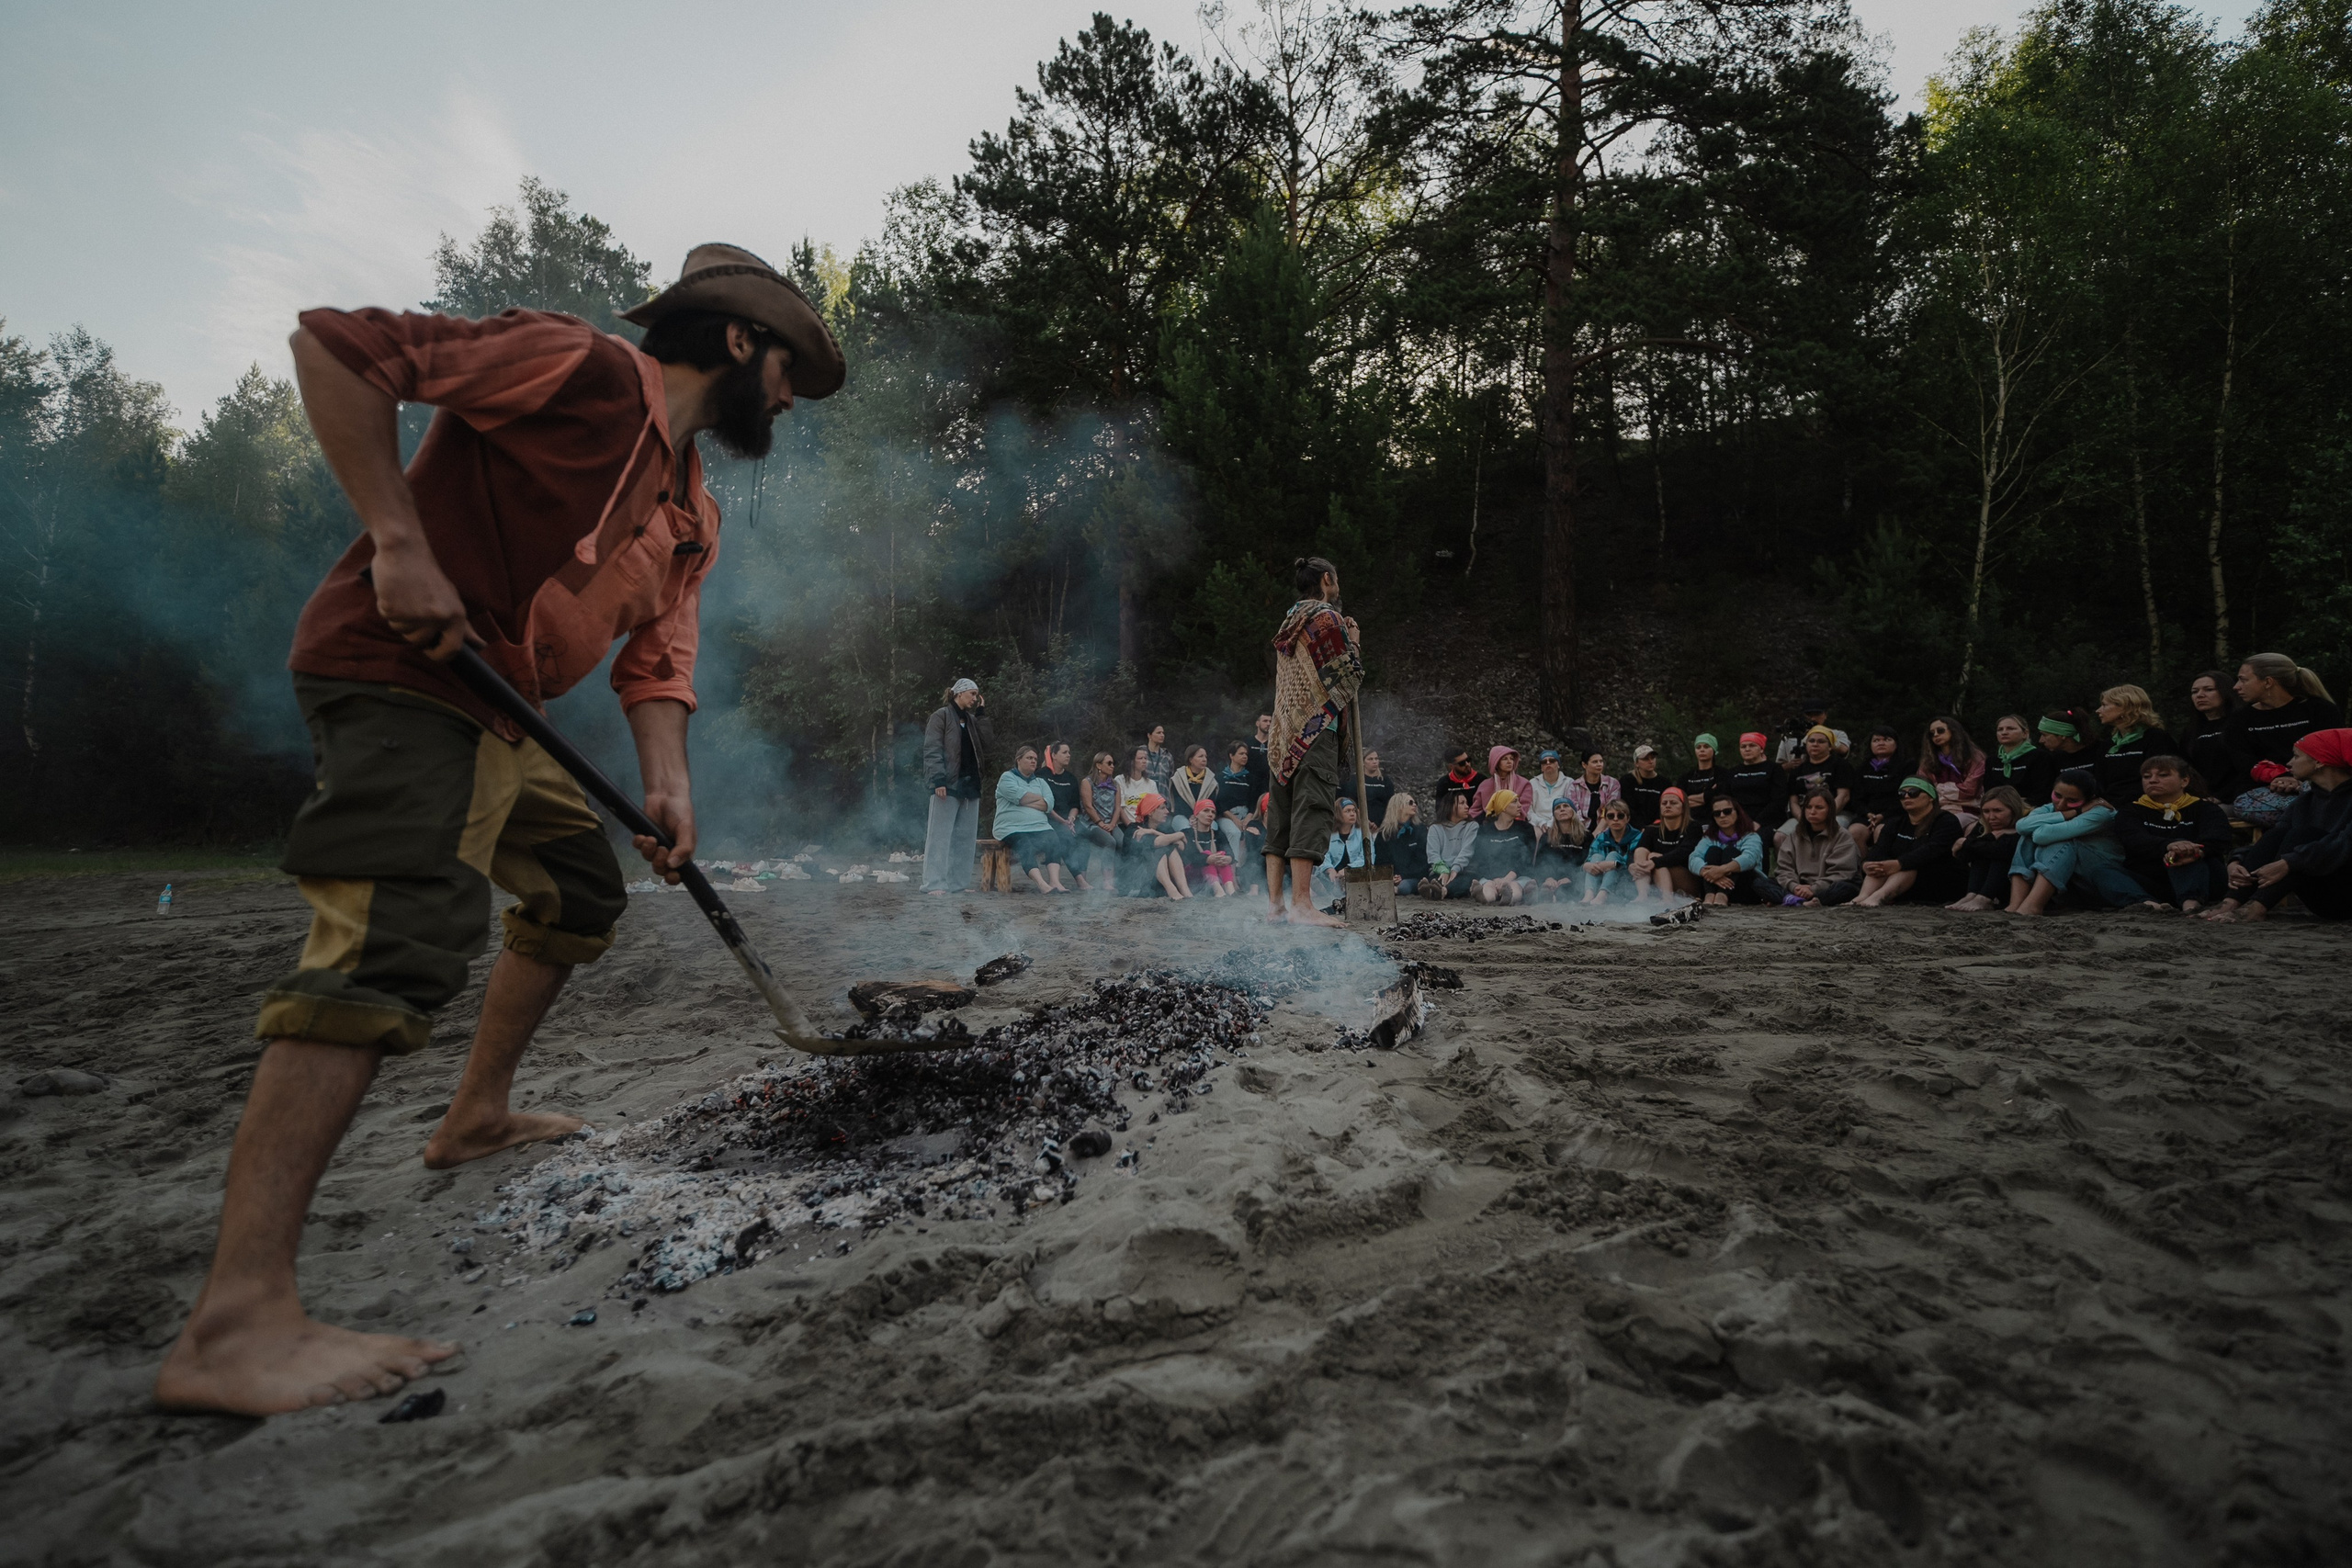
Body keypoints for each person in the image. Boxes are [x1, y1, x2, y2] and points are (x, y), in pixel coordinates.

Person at [156, 242, 845, 1417]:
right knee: (396, 936)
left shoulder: (692, 511)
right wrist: (398, 541)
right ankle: (236, 1321)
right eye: (791, 369)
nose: (790, 398)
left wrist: (666, 782)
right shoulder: (580, 367)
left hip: (503, 707)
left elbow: (659, 656)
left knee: (579, 890)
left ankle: (473, 1117)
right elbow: (342, 347)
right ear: (738, 341)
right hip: (401, 672)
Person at [1264, 556, 1362, 928]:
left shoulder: (1289, 620)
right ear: (1326, 579)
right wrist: (1354, 642)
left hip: (1282, 732)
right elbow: (1346, 674)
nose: (1337, 588)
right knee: (1313, 808)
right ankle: (1302, 905)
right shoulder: (1326, 618)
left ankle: (1275, 907)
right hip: (1315, 729)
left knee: (1281, 816)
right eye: (1335, 581)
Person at [2204, 728, 2352, 921]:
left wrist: (2290, 862)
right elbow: (2272, 841)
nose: (2289, 763)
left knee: (2302, 836)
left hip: (2346, 893)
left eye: (2297, 757)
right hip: (2321, 893)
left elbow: (2345, 844)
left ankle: (2257, 907)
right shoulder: (2305, 801)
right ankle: (2232, 902)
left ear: (2319, 762)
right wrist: (2237, 860)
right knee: (2281, 834)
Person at [2224, 653, 2343, 827]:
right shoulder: (2239, 720)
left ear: (2268, 682)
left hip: (2317, 785)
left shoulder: (2319, 710)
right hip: (2262, 791)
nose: (2236, 687)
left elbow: (2331, 751)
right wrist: (2280, 777)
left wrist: (2298, 780)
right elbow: (2242, 760)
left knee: (2321, 802)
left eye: (2243, 680)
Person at [2007, 769, 2142, 915]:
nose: (2061, 804)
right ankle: (2016, 904)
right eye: (2057, 795)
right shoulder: (2051, 807)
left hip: (2096, 877)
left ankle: (2033, 905)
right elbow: (2021, 826)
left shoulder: (2101, 813)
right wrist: (2075, 811)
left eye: (2072, 801)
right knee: (2026, 837)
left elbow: (2041, 836)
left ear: (2090, 799)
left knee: (2060, 840)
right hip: (2068, 878)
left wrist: (2070, 815)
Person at [2113, 756, 2230, 913]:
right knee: (2102, 869)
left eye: (2163, 775)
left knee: (2184, 847)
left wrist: (2192, 851)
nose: (2153, 780)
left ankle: (2191, 904)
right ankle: (2147, 904)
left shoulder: (2206, 808)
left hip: (2203, 880)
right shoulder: (2130, 811)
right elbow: (2134, 840)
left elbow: (2218, 839)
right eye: (2147, 776)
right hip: (2152, 880)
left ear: (2184, 781)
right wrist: (2167, 845)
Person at [922, 679, 994, 894]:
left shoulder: (971, 720)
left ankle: (958, 885)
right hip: (948, 784)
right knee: (939, 837)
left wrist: (981, 716)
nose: (975, 698)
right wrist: (938, 780)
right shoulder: (941, 716)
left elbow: (988, 744)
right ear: (959, 694)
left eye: (976, 695)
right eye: (972, 694)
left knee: (965, 839)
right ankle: (933, 884)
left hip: (970, 786)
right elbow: (932, 749)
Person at [1851, 776, 1967, 907]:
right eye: (1901, 794)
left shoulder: (1946, 821)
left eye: (1913, 793)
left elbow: (1932, 850)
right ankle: (1862, 897)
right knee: (1878, 866)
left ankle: (1878, 898)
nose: (1906, 797)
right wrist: (1868, 864)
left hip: (1939, 881)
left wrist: (1899, 864)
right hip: (1900, 883)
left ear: (1930, 797)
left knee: (1907, 866)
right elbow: (1879, 850)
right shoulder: (1895, 823)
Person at [993, 746, 1070, 893]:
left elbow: (1049, 804)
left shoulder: (1040, 782)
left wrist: (1026, 799)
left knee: (1054, 839)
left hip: (1039, 826)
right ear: (1019, 760)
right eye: (1029, 758)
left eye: (1035, 759)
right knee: (1025, 844)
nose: (1034, 761)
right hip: (1011, 828)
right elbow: (1020, 797)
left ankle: (1055, 882)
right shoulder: (1007, 777)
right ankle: (1042, 884)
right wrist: (1037, 800)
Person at [2090, 684, 2177, 807]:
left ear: (2125, 707)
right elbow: (2099, 782)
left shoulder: (2156, 739)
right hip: (2105, 806)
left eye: (2105, 705)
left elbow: (2160, 781)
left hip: (2143, 806)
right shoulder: (2108, 745)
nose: (2098, 710)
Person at [1775, 788, 1862, 907]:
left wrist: (1813, 888)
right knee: (1761, 883)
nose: (1812, 812)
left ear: (1830, 810)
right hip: (1800, 886)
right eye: (1808, 807)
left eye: (1819, 808)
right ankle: (1799, 900)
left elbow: (1842, 873)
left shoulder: (1842, 836)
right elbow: (1784, 869)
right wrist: (1795, 886)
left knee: (1846, 888)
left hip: (1827, 887)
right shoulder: (1795, 835)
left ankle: (1795, 900)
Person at [1947, 785, 2027, 911]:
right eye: (1986, 811)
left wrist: (1966, 842)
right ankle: (1972, 894)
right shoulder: (1984, 824)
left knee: (1995, 853)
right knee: (1983, 851)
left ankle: (1984, 898)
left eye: (1998, 811)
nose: (1991, 817)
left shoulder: (2028, 821)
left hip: (2018, 883)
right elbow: (1963, 855)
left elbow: (2005, 851)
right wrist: (1989, 837)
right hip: (1990, 881)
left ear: (2013, 810)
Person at [1694, 797, 1781, 906]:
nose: (1722, 816)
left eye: (1727, 811)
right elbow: (1694, 858)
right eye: (1717, 813)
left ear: (1738, 813)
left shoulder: (1751, 836)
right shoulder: (1709, 838)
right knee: (1713, 851)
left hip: (1744, 887)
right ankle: (1710, 895)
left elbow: (1750, 858)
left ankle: (1722, 895)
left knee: (1731, 852)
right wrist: (1710, 874)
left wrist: (1722, 870)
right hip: (1712, 886)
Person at [2179, 671, 2245, 804]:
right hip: (2201, 799)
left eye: (2208, 690)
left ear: (2225, 692)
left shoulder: (2240, 723)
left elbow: (2247, 768)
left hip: (2237, 798)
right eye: (2194, 692)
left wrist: (2221, 797)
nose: (2200, 695)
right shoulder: (2190, 731)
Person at [1633, 786, 1705, 903]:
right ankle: (1642, 895)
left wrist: (1655, 862)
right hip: (1657, 880)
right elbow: (1639, 851)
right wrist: (1636, 866)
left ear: (1683, 807)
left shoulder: (1693, 827)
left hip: (1687, 880)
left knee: (1653, 857)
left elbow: (1684, 852)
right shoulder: (1652, 829)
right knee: (1641, 854)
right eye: (1664, 803)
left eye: (1673, 803)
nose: (1667, 805)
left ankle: (1667, 899)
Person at [1467, 791, 1538, 904]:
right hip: (1491, 877)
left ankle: (1509, 898)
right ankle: (1484, 898)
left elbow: (1526, 859)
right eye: (1515, 802)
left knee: (1515, 886)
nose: (1520, 805)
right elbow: (1481, 860)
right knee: (1488, 886)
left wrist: (1507, 879)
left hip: (1518, 876)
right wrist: (1495, 879)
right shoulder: (1485, 831)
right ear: (1503, 806)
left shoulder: (1526, 829)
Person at [1040, 741, 1093, 889]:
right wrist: (1062, 821)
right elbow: (1044, 803)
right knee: (1063, 837)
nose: (1068, 755)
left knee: (1083, 837)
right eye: (1064, 752)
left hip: (1067, 820)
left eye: (1069, 752)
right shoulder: (1042, 775)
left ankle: (1082, 878)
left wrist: (1071, 819)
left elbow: (1075, 805)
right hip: (1048, 818)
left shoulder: (1070, 778)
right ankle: (1075, 880)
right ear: (1054, 755)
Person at [1782, 727, 1856, 822]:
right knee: (1780, 836)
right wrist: (1802, 819)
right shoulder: (1797, 770)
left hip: (1836, 814)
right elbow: (1793, 801)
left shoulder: (1841, 765)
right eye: (1811, 741)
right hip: (1804, 816)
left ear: (1830, 746)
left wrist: (1825, 818)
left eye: (1821, 741)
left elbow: (1843, 796)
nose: (1815, 744)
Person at [1125, 795, 1192, 899]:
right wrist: (1180, 834)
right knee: (1160, 848)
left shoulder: (1164, 828)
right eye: (1162, 808)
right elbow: (1156, 843)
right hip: (1135, 883)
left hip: (1155, 885)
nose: (1167, 812)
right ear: (1150, 812)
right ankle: (1172, 891)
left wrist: (1153, 831)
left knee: (1171, 847)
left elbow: (1182, 845)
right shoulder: (1134, 829)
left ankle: (1185, 890)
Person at [1848, 727, 1905, 848]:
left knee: (1882, 832)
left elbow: (1905, 797)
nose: (1881, 743)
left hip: (1895, 814)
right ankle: (1862, 865)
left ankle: (1881, 865)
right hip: (1867, 815)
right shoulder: (1862, 769)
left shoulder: (1906, 766)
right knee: (1854, 833)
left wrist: (1883, 816)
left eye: (1887, 739)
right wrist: (1868, 814)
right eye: (1876, 740)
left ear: (1896, 744)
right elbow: (1856, 798)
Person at [1917, 716, 1986, 812]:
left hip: (1968, 810)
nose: (1936, 735)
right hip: (1937, 809)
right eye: (1931, 734)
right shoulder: (1928, 761)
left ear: (1953, 730)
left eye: (1940, 730)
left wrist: (1938, 787)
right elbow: (1923, 789)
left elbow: (1970, 790)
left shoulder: (1974, 756)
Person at [1984, 714, 2054, 807]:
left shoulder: (2039, 757)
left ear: (2025, 733)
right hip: (1998, 809)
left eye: (2010, 729)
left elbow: (2042, 792)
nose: (2004, 732)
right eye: (2000, 729)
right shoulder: (1992, 760)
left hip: (2030, 809)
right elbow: (1989, 792)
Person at [1420, 790, 1480, 900]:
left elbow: (1467, 851)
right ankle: (1432, 890)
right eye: (1462, 803)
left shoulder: (1472, 826)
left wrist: (1455, 869)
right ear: (1451, 806)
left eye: (1467, 803)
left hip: (1463, 871)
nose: (1467, 806)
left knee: (1464, 882)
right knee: (1434, 880)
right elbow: (1433, 854)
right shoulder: (1435, 828)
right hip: (1441, 871)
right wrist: (1444, 870)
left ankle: (1442, 892)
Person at [1723, 734, 1785, 835]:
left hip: (1768, 820)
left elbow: (1779, 799)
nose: (1747, 749)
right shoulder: (1732, 772)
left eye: (1752, 745)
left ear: (1761, 749)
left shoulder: (1774, 769)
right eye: (1743, 746)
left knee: (1758, 840)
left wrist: (1758, 822)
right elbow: (1726, 798)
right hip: (1739, 820)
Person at [1581, 801, 1641, 903]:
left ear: (1628, 819)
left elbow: (1632, 862)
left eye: (1621, 816)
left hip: (1626, 879)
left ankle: (1603, 894)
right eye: (1611, 816)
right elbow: (1589, 859)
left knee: (1613, 855)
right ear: (1606, 820)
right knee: (1596, 857)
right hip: (1602, 875)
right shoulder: (1601, 837)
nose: (1616, 819)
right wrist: (1586, 865)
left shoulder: (1637, 836)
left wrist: (1614, 864)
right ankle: (1589, 894)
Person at [1316, 797, 1371, 905]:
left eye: (1354, 811)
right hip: (1333, 875)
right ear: (1338, 814)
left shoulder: (1363, 833)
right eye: (1347, 811)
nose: (1352, 814)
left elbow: (1368, 856)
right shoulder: (1328, 833)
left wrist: (1347, 870)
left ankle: (1332, 891)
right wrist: (1329, 868)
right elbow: (1323, 853)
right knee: (1318, 873)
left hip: (1355, 873)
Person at [1079, 750, 1123, 882]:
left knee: (1122, 841)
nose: (1112, 766)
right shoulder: (1087, 782)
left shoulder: (1115, 784)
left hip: (1110, 822)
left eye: (1113, 763)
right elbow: (1088, 806)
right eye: (1109, 763)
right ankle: (1107, 880)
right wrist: (1100, 823)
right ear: (1098, 765)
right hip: (1091, 823)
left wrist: (1112, 824)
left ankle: (1119, 877)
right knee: (1110, 842)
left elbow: (1118, 807)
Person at [1532, 798, 1589, 901]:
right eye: (1558, 808)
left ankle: (1551, 897)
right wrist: (1548, 877)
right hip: (1551, 880)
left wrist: (1571, 878)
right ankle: (1547, 895)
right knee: (1545, 886)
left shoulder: (1586, 837)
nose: (1562, 809)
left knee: (1566, 890)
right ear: (1554, 815)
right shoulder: (1547, 836)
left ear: (1574, 811)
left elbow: (1587, 863)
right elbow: (1540, 862)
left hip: (1575, 881)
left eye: (1566, 806)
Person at [1375, 793, 1429, 896]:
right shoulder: (1384, 834)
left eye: (1415, 802)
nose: (1414, 805)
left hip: (1413, 877)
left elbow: (1422, 861)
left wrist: (1403, 876)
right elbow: (1381, 860)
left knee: (1405, 886)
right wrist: (1391, 876)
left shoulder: (1420, 830)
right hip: (1391, 877)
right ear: (1398, 806)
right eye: (1410, 802)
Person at [1182, 799, 1238, 897]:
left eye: (1213, 812)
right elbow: (1189, 857)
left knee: (1222, 855)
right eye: (1206, 811)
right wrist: (1208, 859)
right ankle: (1218, 891)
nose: (1210, 814)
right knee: (1208, 854)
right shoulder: (1187, 833)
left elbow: (1231, 855)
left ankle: (1230, 889)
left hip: (1214, 873)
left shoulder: (1218, 834)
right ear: (1197, 814)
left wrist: (1227, 858)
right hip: (1193, 874)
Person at [1775, 699, 1849, 764]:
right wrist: (1791, 765)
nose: (1813, 718)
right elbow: (1779, 767)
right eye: (1809, 715)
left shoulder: (1836, 734)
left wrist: (1824, 735)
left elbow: (1844, 750)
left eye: (1817, 714)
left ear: (1825, 715)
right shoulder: (1792, 735)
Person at [1565, 749, 1622, 832]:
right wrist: (1585, 834)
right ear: (1584, 765)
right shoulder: (1574, 786)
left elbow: (1610, 810)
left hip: (1606, 830)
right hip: (1580, 830)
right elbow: (1575, 812)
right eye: (1595, 762)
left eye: (1601, 761)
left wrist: (1596, 834)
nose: (1599, 764)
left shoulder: (1612, 784)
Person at [1473, 745, 1531, 824]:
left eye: (1512, 759)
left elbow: (1523, 809)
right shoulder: (1485, 785)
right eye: (1505, 759)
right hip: (1489, 825)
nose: (1509, 762)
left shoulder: (1524, 783)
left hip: (1516, 824)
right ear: (1495, 762)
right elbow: (1475, 811)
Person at [1340, 748, 1396, 828]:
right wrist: (1364, 821)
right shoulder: (1354, 780)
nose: (1374, 761)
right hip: (1358, 824)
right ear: (1363, 762)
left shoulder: (1385, 780)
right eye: (1370, 759)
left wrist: (1379, 823)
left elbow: (1391, 804)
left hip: (1382, 825)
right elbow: (1349, 802)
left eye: (1376, 759)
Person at [1618, 743, 1668, 829]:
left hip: (1658, 828)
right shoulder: (1627, 781)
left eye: (1652, 758)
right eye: (1645, 759)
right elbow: (1626, 807)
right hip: (1632, 828)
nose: (1650, 761)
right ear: (1637, 763)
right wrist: (1640, 827)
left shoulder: (1664, 782)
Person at [1168, 744, 1217, 824]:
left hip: (1204, 817)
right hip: (1182, 816)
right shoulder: (1178, 777)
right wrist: (1191, 817)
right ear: (1191, 759)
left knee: (1214, 826)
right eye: (1200, 756)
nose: (1204, 759)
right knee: (1185, 827)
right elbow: (1179, 803)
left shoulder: (1211, 780)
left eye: (1205, 757)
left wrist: (1199, 817)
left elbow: (1211, 803)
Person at [1523, 750, 1574, 826]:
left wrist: (1551, 824)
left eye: (1552, 760)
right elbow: (1528, 809)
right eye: (1544, 762)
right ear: (1541, 768)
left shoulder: (1569, 782)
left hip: (1562, 823)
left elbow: (1571, 808)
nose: (1548, 763)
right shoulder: (1532, 783)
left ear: (1558, 764)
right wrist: (1540, 823)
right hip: (1537, 824)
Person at [1679, 734, 1726, 813]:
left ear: (1714, 750)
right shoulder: (1686, 777)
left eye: (1706, 747)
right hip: (1690, 819)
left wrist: (1689, 798)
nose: (1702, 750)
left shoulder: (1722, 774)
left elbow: (1721, 798)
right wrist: (1708, 796)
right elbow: (1679, 800)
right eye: (1698, 747)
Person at [1114, 746, 1156, 826]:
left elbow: (1155, 809)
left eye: (1145, 758)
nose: (1144, 761)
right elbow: (1120, 808)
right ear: (1132, 761)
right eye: (1140, 758)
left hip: (1145, 826)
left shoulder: (1151, 784)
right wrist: (1131, 827)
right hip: (1126, 825)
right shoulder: (1120, 780)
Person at [1141, 723, 1177, 793]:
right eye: (1158, 733)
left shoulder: (1167, 756)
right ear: (1149, 735)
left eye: (1163, 733)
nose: (1162, 735)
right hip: (1143, 798)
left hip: (1163, 798)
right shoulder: (1140, 753)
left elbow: (1170, 778)